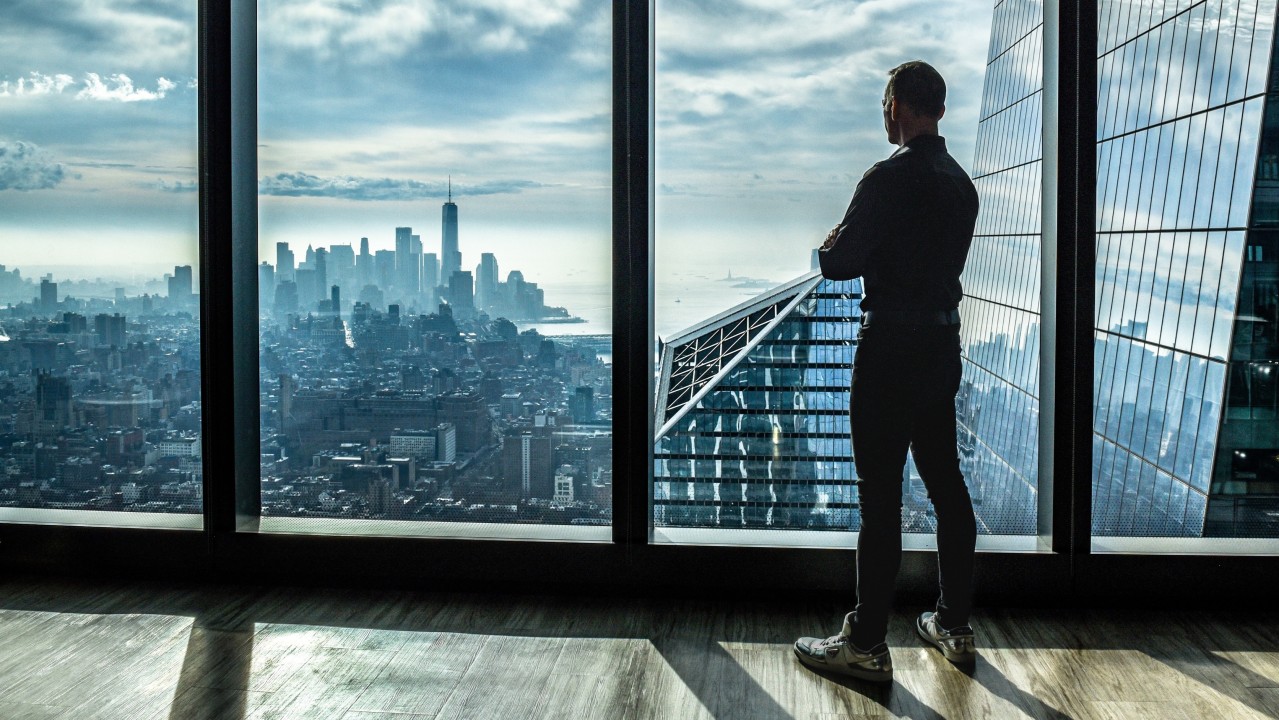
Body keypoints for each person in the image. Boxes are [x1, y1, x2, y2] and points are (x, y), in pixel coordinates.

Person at [792, 60, 980, 683]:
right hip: (941, 347)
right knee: (947, 486)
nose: (883, 111)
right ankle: (953, 624)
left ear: (898, 105)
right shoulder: (961, 185)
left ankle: (867, 643)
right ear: (941, 110)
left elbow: (837, 262)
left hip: (889, 351)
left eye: (884, 100)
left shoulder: (884, 180)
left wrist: (829, 240)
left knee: (882, 499)